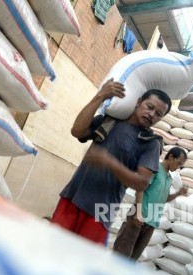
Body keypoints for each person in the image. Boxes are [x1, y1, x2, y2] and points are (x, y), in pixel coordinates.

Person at [51, 78, 172, 245]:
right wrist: (100, 95)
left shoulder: (150, 142)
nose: (152, 115)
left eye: (159, 114)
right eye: (149, 107)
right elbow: (77, 131)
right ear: (138, 102)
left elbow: (142, 183)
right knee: (49, 252)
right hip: (71, 198)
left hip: (101, 214)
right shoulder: (110, 121)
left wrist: (109, 162)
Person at [112, 147, 188, 260]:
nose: (178, 167)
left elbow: (163, 198)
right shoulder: (155, 169)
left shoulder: (168, 178)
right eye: (178, 163)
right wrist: (138, 213)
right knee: (121, 253)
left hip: (151, 223)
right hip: (138, 217)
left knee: (133, 258)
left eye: (181, 165)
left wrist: (178, 193)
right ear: (171, 157)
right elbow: (140, 188)